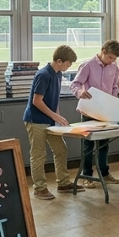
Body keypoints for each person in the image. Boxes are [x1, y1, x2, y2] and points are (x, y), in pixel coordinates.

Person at [23, 45, 83, 200]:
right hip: (36, 120)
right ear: (59, 61)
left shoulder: (58, 74)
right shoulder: (43, 75)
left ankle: (63, 183)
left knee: (61, 149)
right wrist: (55, 117)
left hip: (50, 121)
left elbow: (54, 99)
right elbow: (37, 101)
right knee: (38, 155)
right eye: (68, 64)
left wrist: (58, 117)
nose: (69, 66)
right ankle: (40, 188)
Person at [71, 40, 119, 187]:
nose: (112, 61)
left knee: (104, 144)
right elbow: (75, 84)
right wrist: (80, 92)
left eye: (114, 59)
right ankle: (87, 176)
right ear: (103, 51)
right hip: (89, 110)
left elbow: (114, 87)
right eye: (110, 57)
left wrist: (114, 101)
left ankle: (104, 173)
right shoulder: (88, 65)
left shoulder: (114, 67)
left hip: (105, 111)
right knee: (88, 145)